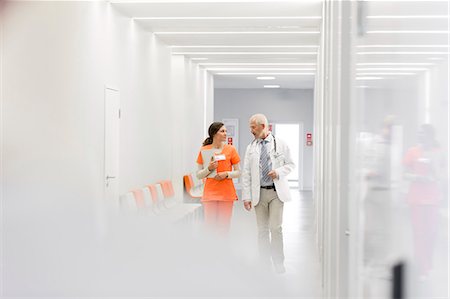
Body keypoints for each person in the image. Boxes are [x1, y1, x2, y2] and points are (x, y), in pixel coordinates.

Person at [242, 114, 295, 274]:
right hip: (259, 194)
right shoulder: (251, 147)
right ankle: (264, 263)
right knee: (262, 230)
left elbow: (291, 164)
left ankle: (279, 262)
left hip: (276, 193)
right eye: (250, 126)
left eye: (253, 127)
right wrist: (246, 196)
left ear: (263, 126)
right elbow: (246, 173)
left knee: (275, 228)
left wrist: (278, 172)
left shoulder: (280, 144)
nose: (250, 130)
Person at [403, 124, 445, 280]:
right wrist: (417, 177)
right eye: (418, 133)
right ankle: (422, 269)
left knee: (432, 233)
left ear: (430, 135)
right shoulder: (412, 152)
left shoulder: (438, 152)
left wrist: (435, 174)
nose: (420, 136)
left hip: (432, 199)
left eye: (423, 133)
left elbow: (442, 173)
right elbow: (404, 173)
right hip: (416, 200)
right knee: (419, 234)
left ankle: (428, 263)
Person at [196, 122, 241, 234]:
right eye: (222, 131)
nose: (225, 133)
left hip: (226, 194)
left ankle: (222, 250)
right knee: (210, 227)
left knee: (224, 227)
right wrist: (209, 169)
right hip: (210, 194)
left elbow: (239, 172)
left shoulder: (231, 149)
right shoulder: (204, 150)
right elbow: (198, 175)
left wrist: (226, 174)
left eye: (226, 131)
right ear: (214, 134)